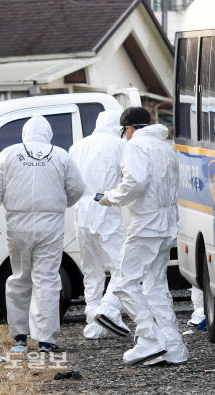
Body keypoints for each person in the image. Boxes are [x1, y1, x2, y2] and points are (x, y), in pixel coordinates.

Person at [0, 115, 85, 352]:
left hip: (18, 225)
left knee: (19, 278)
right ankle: (47, 340)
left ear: (25, 134)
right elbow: (78, 188)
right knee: (46, 280)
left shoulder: (8, 153)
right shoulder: (60, 155)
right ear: (48, 134)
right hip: (51, 225)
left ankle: (19, 335)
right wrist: (62, 203)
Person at [94, 107, 189, 366]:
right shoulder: (165, 147)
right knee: (156, 286)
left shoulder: (135, 146)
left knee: (124, 282)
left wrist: (109, 198)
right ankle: (174, 346)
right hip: (167, 222)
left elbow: (136, 182)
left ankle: (149, 338)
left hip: (146, 222)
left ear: (129, 129)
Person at [68, 110, 130, 339]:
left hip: (82, 210)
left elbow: (70, 182)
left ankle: (93, 323)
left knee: (91, 269)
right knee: (120, 266)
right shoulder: (119, 145)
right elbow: (128, 180)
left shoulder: (78, 146)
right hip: (106, 205)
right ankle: (108, 311)